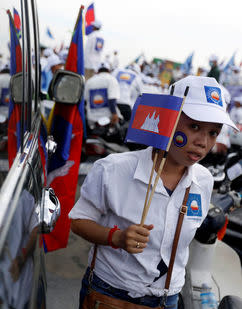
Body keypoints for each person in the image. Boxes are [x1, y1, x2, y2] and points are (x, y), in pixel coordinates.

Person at [69, 76, 238, 309]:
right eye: (195, 127)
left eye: (213, 133)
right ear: (170, 118)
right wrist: (115, 237)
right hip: (109, 294)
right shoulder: (113, 169)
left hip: (166, 300)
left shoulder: (204, 180)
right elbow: (78, 221)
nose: (203, 142)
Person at [84, 62, 120, 131]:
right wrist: (114, 114)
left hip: (91, 120)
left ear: (97, 71)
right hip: (107, 120)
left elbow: (85, 100)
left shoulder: (89, 81)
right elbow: (112, 99)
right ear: (109, 70)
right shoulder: (112, 79)